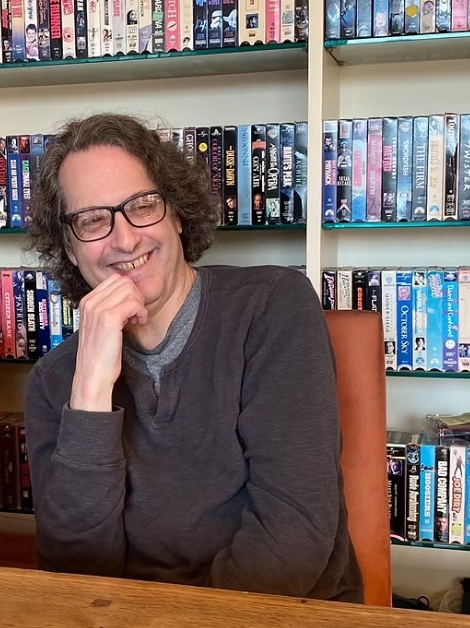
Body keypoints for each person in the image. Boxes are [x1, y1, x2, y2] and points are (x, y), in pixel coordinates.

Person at [23, 113, 363, 602]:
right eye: (93, 220)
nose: (124, 239)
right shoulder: (54, 380)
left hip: (283, 611)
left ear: (177, 215)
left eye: (143, 206)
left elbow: (293, 536)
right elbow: (74, 571)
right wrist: (90, 394)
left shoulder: (273, 305)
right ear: (70, 250)